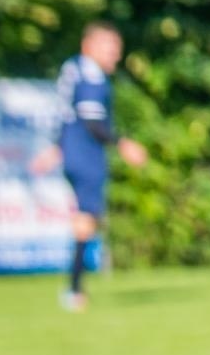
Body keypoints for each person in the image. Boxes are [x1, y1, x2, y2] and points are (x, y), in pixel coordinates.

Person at [31, 21, 148, 311]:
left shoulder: (73, 68)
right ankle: (74, 290)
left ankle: (74, 288)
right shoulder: (92, 76)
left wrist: (57, 147)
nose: (115, 55)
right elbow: (92, 121)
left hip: (73, 150)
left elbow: (66, 112)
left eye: (116, 49)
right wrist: (124, 144)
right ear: (89, 46)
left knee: (86, 219)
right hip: (86, 153)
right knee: (85, 220)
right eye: (109, 48)